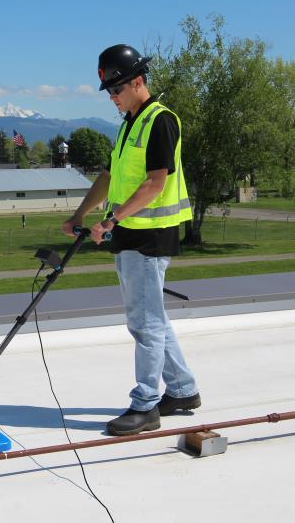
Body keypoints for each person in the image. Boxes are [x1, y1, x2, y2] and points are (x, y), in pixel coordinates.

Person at [62, 44, 200, 436]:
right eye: (108, 91)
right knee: (153, 317)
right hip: (129, 234)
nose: (112, 97)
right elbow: (108, 177)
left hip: (151, 236)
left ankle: (146, 406)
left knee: (144, 323)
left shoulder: (160, 121)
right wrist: (80, 215)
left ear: (138, 82)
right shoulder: (129, 124)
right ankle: (183, 390)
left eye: (117, 90)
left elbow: (155, 183)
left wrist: (111, 221)